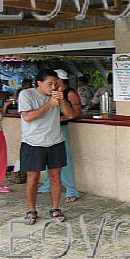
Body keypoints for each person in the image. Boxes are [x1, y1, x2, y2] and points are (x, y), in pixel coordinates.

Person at [18, 69, 75, 224]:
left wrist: (61, 100)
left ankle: (55, 208)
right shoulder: (27, 94)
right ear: (39, 83)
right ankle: (31, 210)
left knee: (56, 177)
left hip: (55, 141)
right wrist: (49, 105)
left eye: (56, 84)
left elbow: (70, 115)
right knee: (33, 177)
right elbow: (27, 117)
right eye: (50, 84)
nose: (53, 87)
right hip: (33, 143)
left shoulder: (56, 96)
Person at [38, 69, 82, 203]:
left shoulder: (69, 93)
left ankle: (71, 190)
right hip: (46, 130)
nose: (53, 85)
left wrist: (55, 119)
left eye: (54, 82)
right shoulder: (47, 94)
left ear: (59, 81)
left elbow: (75, 113)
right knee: (47, 160)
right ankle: (47, 185)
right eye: (50, 83)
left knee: (64, 160)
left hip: (61, 129)